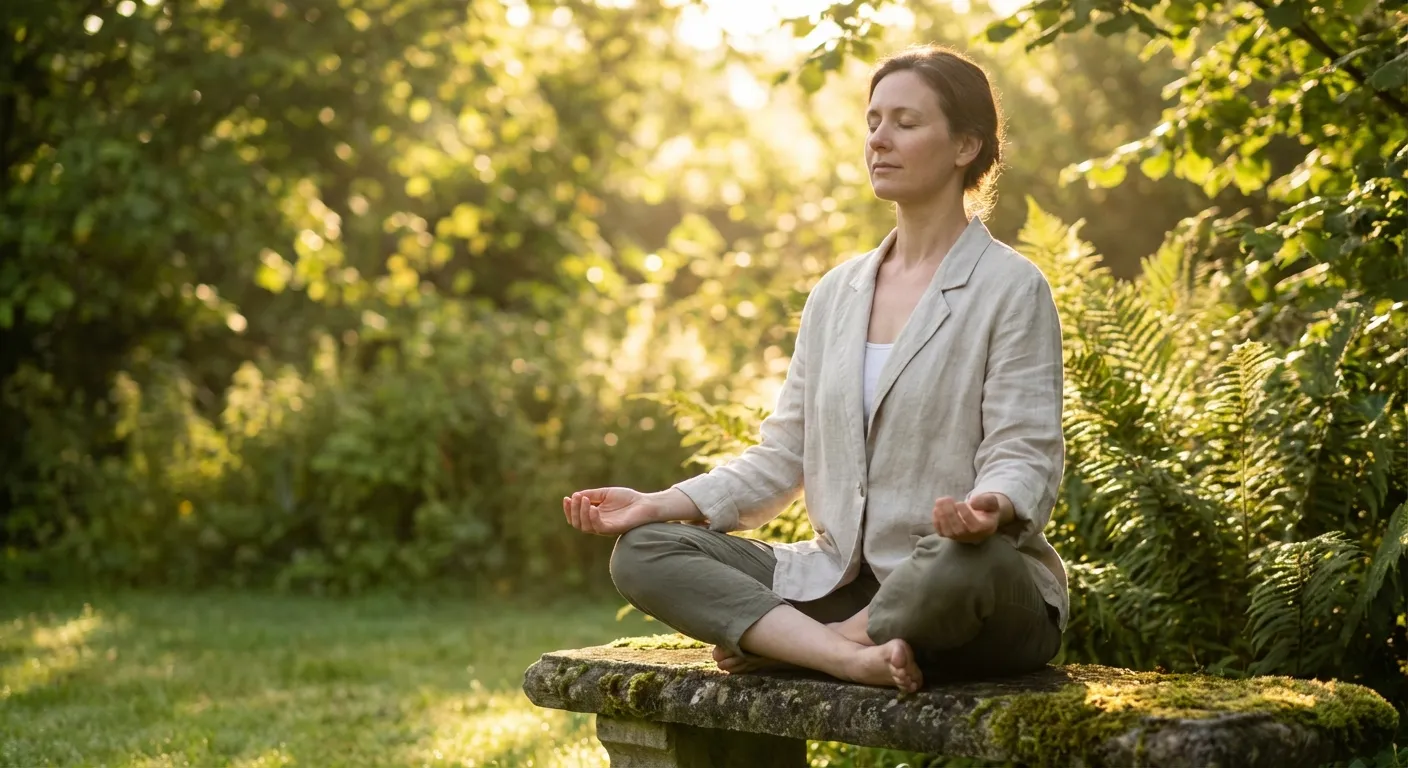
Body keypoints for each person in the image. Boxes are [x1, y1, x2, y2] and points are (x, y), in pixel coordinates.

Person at [562, 43, 1067, 694]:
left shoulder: (1012, 288)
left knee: (959, 565)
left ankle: (799, 645)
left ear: (966, 145)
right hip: (837, 579)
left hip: (968, 588)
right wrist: (658, 503)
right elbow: (782, 457)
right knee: (648, 551)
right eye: (874, 121)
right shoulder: (837, 293)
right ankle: (846, 654)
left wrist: (989, 508)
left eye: (906, 124)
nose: (880, 140)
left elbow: (1023, 451)